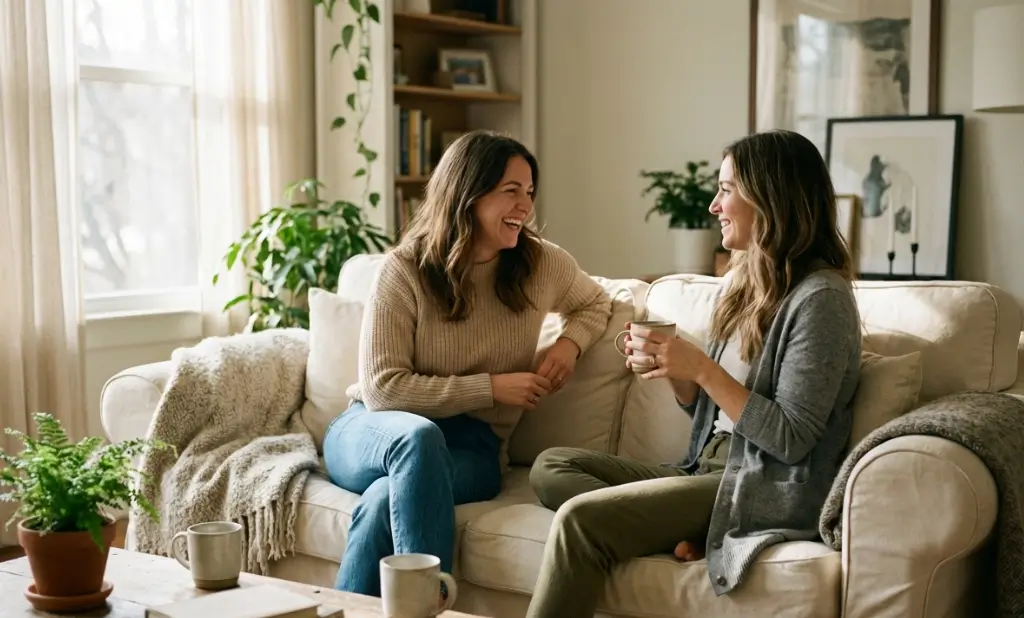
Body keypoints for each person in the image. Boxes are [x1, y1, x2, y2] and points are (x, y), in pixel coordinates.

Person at [525, 129, 862, 618]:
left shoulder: (822, 300)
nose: (713, 205)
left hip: (758, 483)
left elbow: (791, 439)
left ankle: (682, 523)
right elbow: (713, 414)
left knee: (581, 520)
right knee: (550, 466)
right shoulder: (743, 281)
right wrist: (678, 374)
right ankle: (684, 527)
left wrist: (701, 369)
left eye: (726, 189)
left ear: (770, 197)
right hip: (704, 468)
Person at [321, 130, 613, 599]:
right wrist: (492, 388)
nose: (526, 207)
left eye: (530, 192)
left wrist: (568, 346)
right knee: (418, 438)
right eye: (511, 191)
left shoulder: (540, 264)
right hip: (375, 431)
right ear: (468, 193)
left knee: (382, 501)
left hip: (473, 450)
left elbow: (596, 304)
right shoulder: (405, 270)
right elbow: (382, 389)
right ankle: (430, 605)